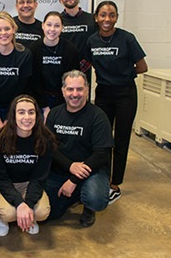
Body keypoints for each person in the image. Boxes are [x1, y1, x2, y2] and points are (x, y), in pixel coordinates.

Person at [85, 1, 148, 205]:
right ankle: (101, 177)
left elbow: (142, 66)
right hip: (103, 93)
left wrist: (121, 74)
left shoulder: (127, 38)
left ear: (116, 18)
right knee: (103, 139)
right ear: (96, 17)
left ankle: (115, 184)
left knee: (121, 139)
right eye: (103, 15)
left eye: (111, 15)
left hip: (125, 93)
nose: (107, 19)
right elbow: (85, 64)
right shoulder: (92, 40)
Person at [45, 70, 113, 227]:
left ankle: (88, 206)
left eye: (79, 89)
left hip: (92, 170)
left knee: (95, 198)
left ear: (87, 90)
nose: (74, 94)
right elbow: (49, 147)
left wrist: (74, 179)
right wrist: (70, 166)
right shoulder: (54, 114)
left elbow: (102, 154)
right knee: (48, 213)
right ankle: (74, 195)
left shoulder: (98, 116)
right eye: (70, 89)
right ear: (63, 90)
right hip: (63, 169)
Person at [0, 95, 56, 236]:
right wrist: (19, 203)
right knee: (9, 214)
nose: (27, 117)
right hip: (3, 184)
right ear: (13, 115)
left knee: (42, 212)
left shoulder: (45, 139)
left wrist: (28, 204)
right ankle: (1, 217)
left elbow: (39, 177)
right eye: (21, 112)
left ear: (37, 115)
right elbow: (0, 177)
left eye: (31, 112)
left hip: (28, 183)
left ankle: (28, 216)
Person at [27, 11, 80, 119]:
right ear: (43, 26)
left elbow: (72, 79)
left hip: (63, 98)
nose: (52, 29)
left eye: (57, 26)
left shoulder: (70, 49)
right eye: (49, 25)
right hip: (39, 99)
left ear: (62, 28)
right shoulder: (33, 49)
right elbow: (33, 81)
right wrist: (45, 107)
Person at [59, 0, 97, 74]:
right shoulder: (57, 21)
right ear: (61, 0)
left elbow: (96, 45)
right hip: (62, 70)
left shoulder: (91, 20)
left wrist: (86, 64)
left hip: (85, 71)